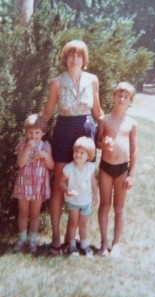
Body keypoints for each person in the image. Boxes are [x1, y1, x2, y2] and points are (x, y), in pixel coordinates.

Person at [41, 39, 104, 255]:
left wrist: (111, 130)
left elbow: (97, 112)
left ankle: (74, 237)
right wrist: (32, 130)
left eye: (79, 55)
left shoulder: (92, 80)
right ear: (65, 58)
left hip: (86, 132)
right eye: (71, 54)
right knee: (62, 182)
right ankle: (57, 238)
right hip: (64, 131)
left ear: (84, 59)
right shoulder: (56, 82)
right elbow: (47, 113)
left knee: (83, 180)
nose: (75, 58)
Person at [96, 82, 137, 257]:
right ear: (113, 97)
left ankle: (116, 243)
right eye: (119, 95)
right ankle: (104, 243)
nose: (121, 99)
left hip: (122, 170)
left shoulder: (132, 124)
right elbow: (97, 143)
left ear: (130, 101)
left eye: (126, 97)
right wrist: (102, 144)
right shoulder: (104, 120)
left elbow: (134, 151)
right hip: (106, 168)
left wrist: (132, 175)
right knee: (104, 205)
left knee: (119, 207)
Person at [12, 114, 54, 253]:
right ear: (26, 132)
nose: (34, 136)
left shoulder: (46, 146)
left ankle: (32, 241)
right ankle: (22, 239)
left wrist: (45, 156)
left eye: (37, 132)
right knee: (23, 212)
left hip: (38, 184)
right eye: (30, 132)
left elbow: (51, 166)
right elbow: (20, 163)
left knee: (35, 214)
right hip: (24, 184)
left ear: (43, 133)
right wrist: (28, 148)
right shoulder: (23, 144)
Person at [60, 136, 98, 257]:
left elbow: (93, 182)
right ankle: (71, 246)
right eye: (76, 152)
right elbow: (61, 182)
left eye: (82, 153)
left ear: (89, 155)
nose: (78, 155)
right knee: (72, 223)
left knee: (83, 224)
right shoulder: (69, 168)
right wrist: (67, 191)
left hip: (86, 201)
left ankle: (84, 245)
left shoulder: (90, 168)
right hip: (73, 201)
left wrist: (96, 194)